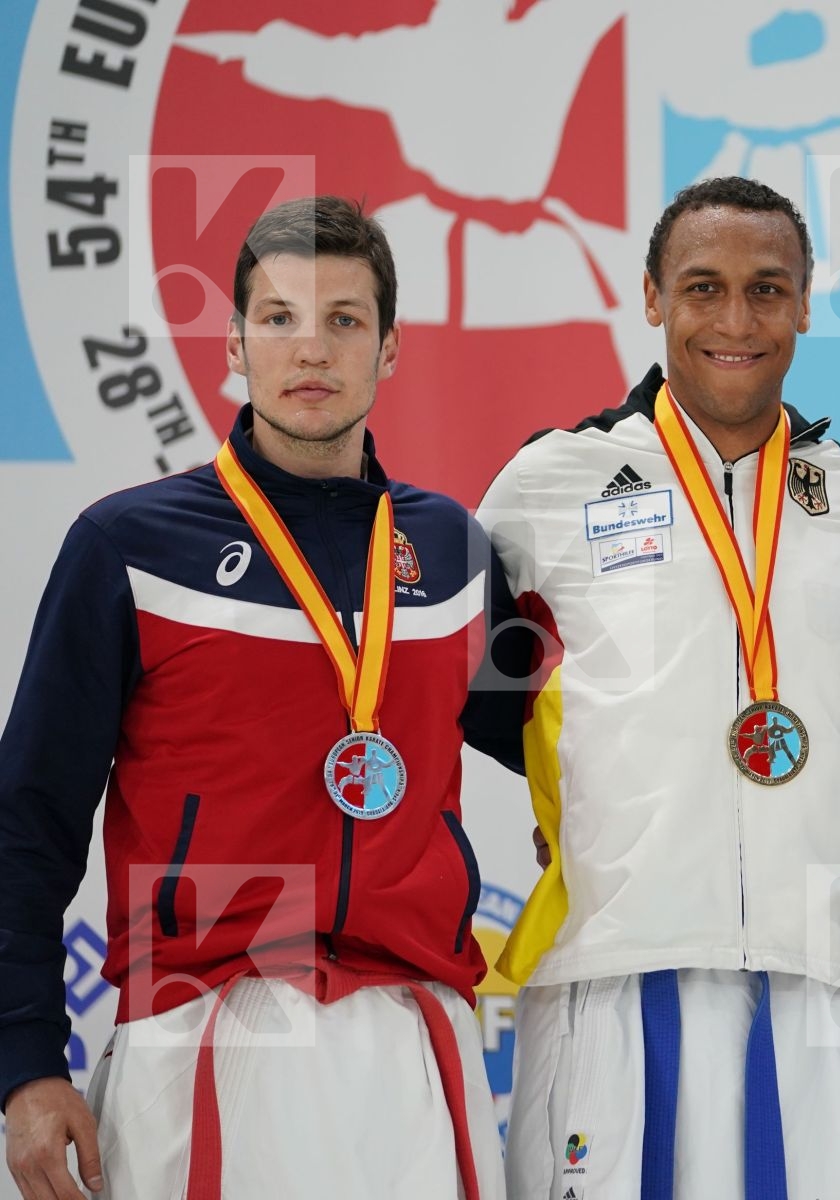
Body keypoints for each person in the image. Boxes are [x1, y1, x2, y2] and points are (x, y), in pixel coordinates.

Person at [0, 197, 514, 1200]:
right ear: (235, 343)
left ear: (391, 346)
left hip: (415, 1037)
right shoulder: (129, 546)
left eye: (344, 319)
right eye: (278, 318)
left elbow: (565, 747)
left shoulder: (453, 552)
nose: (309, 348)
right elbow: (30, 819)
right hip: (206, 1028)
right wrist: (23, 1062)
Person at [476, 176, 840, 1199]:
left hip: (819, 975)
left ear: (806, 304)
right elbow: (465, 686)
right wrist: (585, 788)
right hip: (613, 967)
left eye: (768, 290)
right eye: (703, 287)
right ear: (654, 298)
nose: (736, 320)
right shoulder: (550, 481)